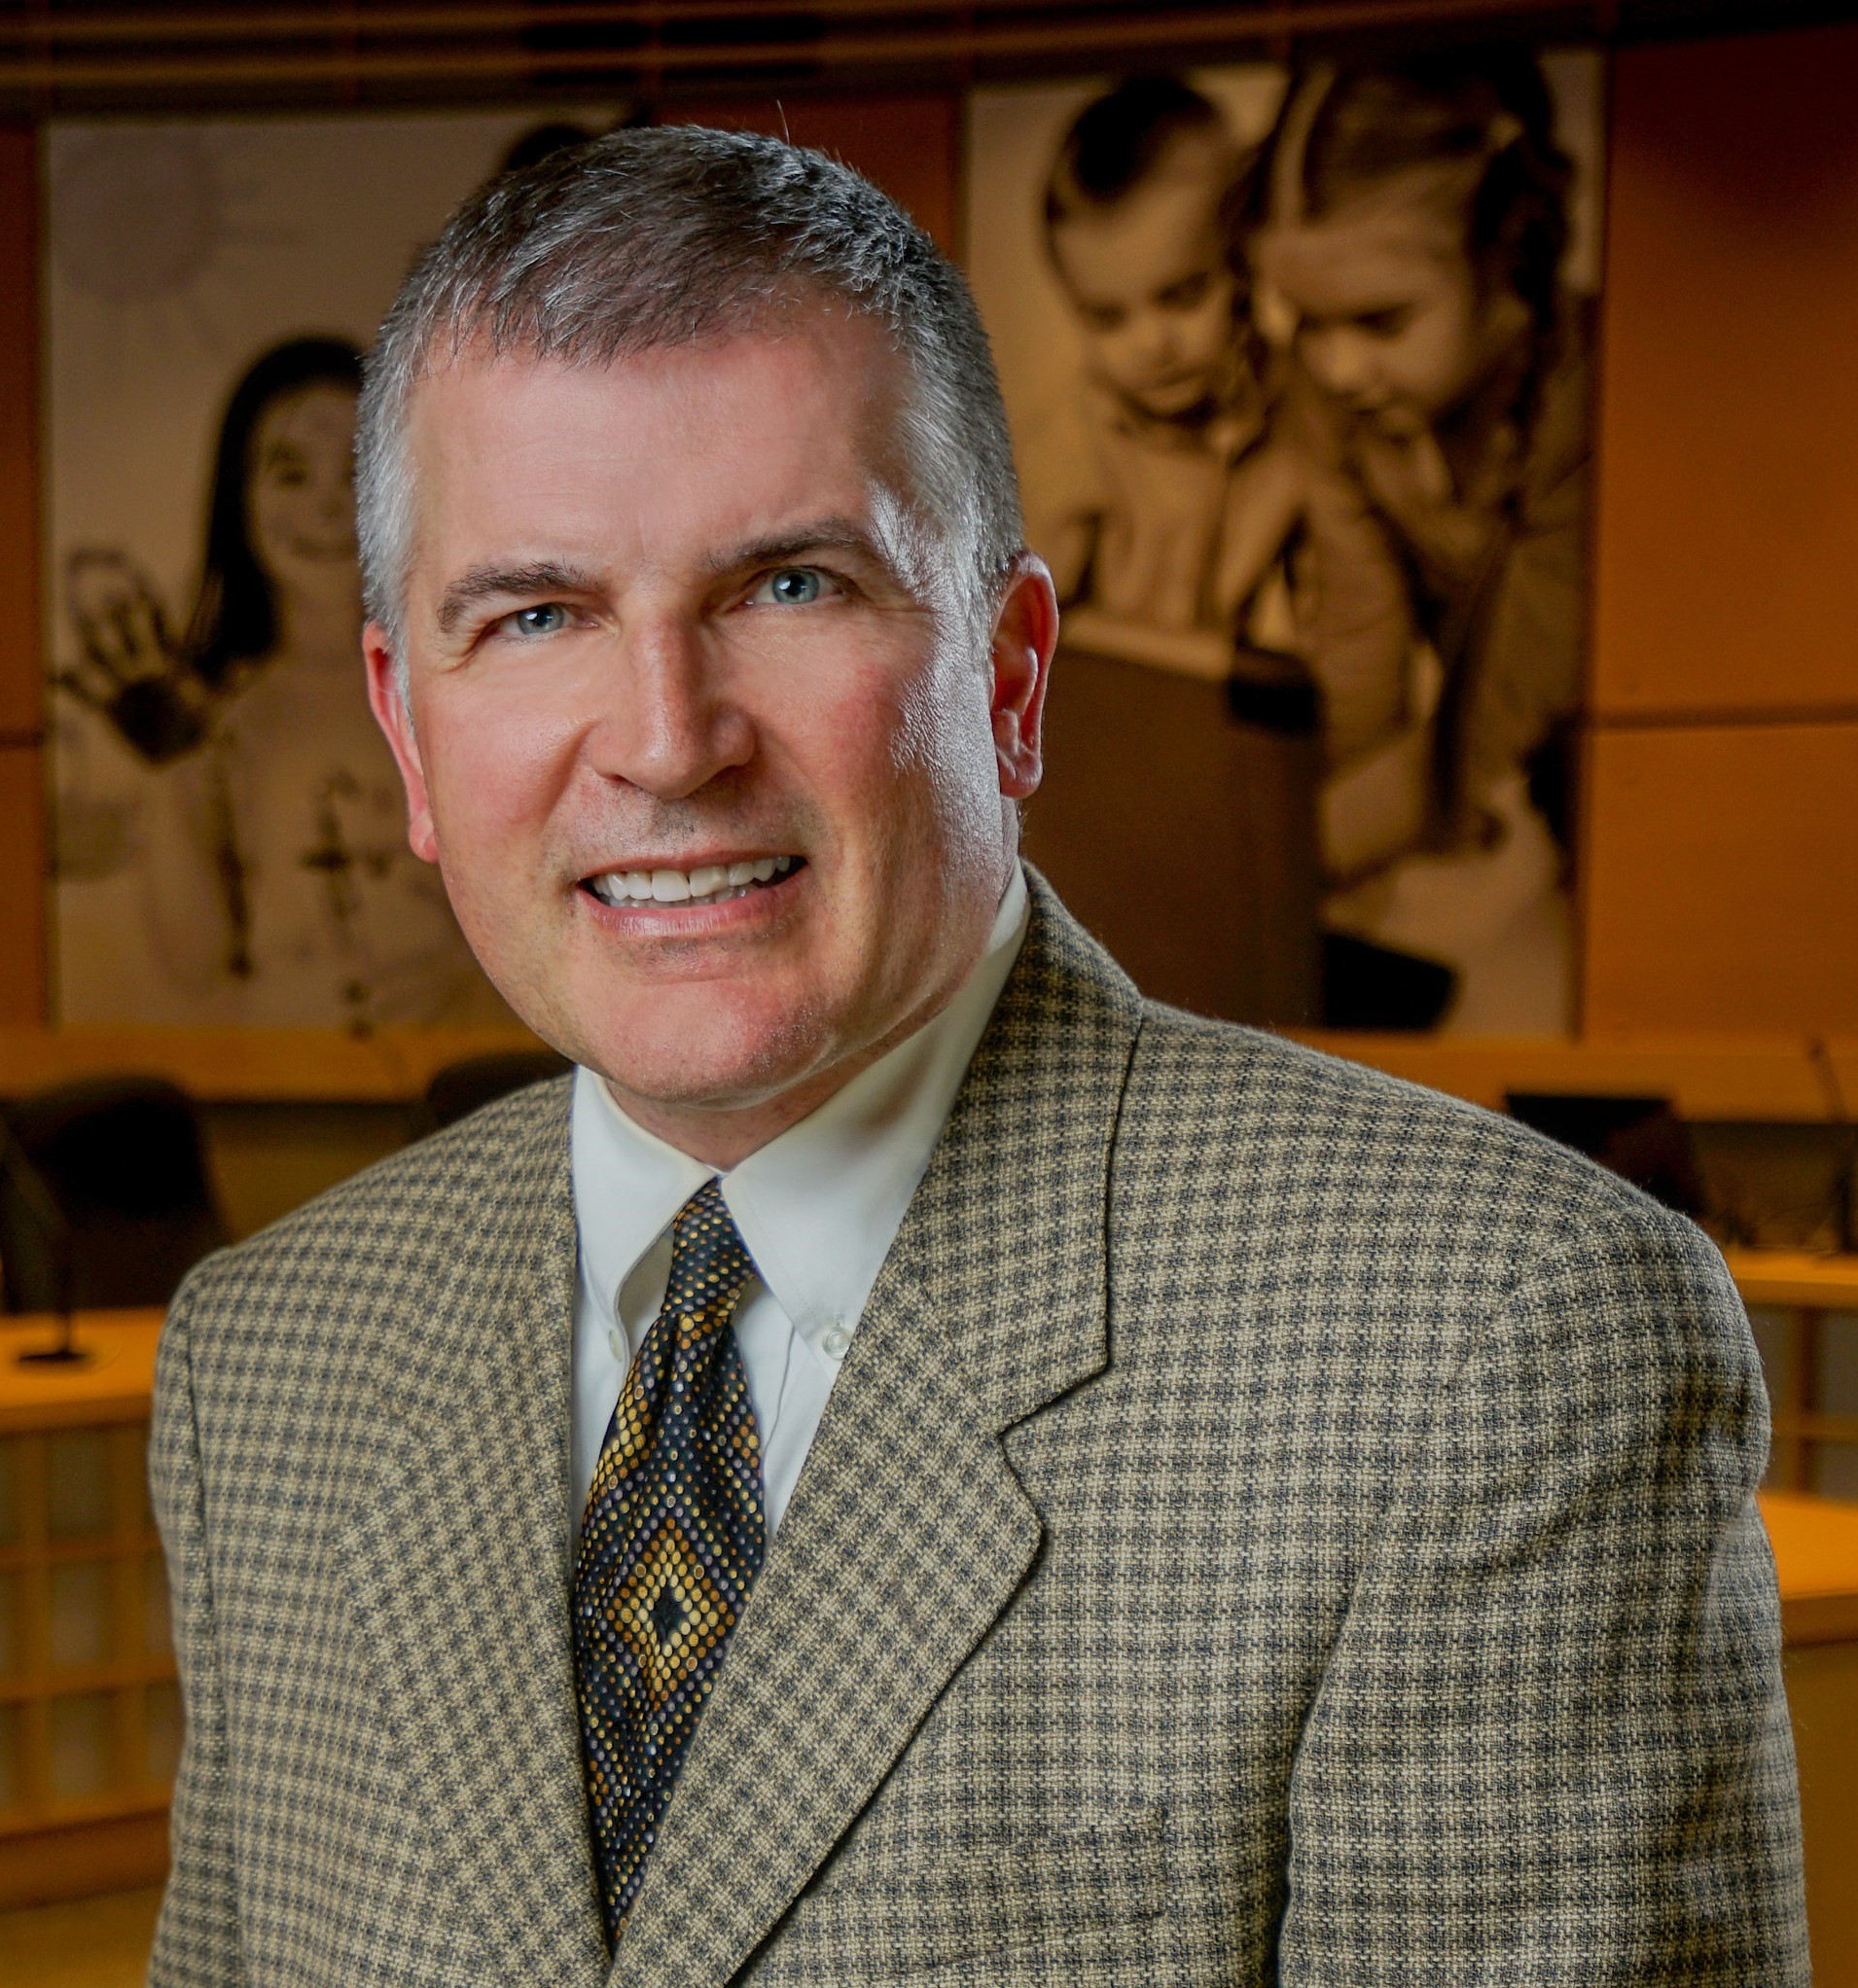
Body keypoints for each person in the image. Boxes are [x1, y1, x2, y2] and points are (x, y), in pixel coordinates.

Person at [147, 126, 1803, 1986]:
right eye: (534, 615)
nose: (667, 740)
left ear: (1009, 676)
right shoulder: (262, 1366)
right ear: (406, 724)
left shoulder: (1489, 1342)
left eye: (789, 586)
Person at [1018, 77, 1414, 1028]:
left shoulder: (1303, 424)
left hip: (1244, 806)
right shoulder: (1059, 452)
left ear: (1244, 266)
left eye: (1182, 296)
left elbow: (1366, 638)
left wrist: (1301, 801)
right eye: (1108, 317)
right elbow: (1006, 673)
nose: (1150, 344)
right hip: (1096, 824)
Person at [1253, 58, 1589, 1031]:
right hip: (1478, 777)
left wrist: (1433, 849)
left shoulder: (1579, 399)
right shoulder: (1332, 404)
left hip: (1580, 777)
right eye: (1305, 323)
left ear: (1508, 257)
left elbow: (1511, 700)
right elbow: (1359, 642)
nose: (1336, 364)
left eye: (1379, 320)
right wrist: (1292, 871)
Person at [56, 337, 500, 1028]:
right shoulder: (216, 715)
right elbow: (192, 960)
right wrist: (168, 772)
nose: (326, 506)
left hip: (461, 1081)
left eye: (354, 475)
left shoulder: (474, 694)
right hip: (286, 1099)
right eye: (290, 474)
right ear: (239, 498)